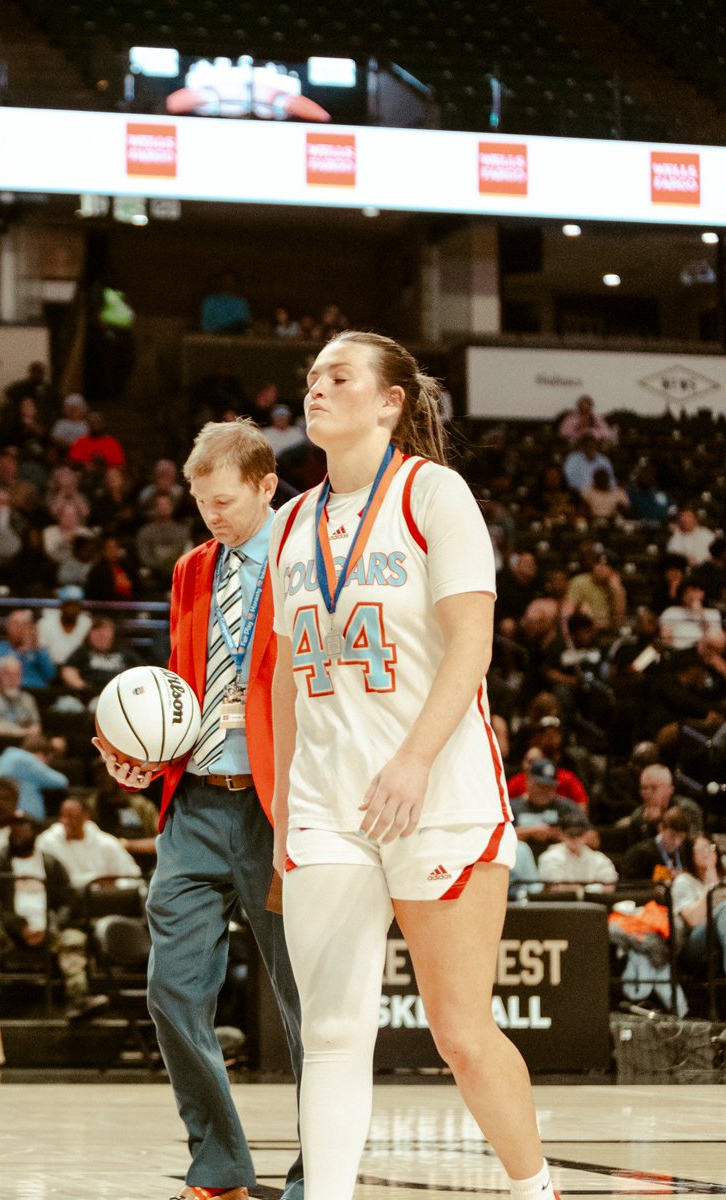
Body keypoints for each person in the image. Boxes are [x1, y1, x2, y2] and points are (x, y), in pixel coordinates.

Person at [268, 330, 558, 1200]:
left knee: (461, 1032)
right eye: (312, 376)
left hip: (440, 793)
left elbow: (474, 642)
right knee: (332, 1031)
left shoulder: (435, 495)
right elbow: (284, 677)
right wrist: (286, 803)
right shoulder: (289, 522)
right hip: (328, 805)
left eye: (339, 376)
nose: (317, 388)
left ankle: (535, 1187)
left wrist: (414, 759)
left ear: (390, 401)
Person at [95, 419, 303, 1200]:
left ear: (263, 484)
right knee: (172, 989)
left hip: (278, 810)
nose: (212, 515)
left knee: (301, 1004)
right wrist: (141, 750)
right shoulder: (190, 568)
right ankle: (219, 1167)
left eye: (225, 501)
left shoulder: (305, 555)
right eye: (201, 501)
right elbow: (183, 686)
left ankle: (319, 1171)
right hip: (195, 800)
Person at [0, 812, 109, 1022]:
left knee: (73, 937)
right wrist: (17, 926)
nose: (17, 831)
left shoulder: (51, 864)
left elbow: (68, 901)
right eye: (13, 826)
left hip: (48, 931)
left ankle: (79, 1000)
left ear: (34, 831)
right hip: (8, 932)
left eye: (23, 826)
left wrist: (50, 926)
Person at [36, 797, 142, 891]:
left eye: (72, 817)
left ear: (85, 817)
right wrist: (95, 879)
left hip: (106, 902)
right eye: (63, 816)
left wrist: (114, 887)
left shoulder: (107, 843)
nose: (66, 821)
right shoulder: (47, 842)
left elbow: (133, 876)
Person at [672, 833, 726, 974]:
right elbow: (693, 920)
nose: (707, 852)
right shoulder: (683, 881)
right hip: (694, 941)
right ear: (691, 855)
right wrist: (709, 887)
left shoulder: (724, 878)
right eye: (701, 849)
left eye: (710, 847)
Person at [511, 758, 586, 854]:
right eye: (540, 786)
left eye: (549, 786)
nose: (545, 791)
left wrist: (561, 835)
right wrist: (529, 832)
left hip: (559, 862)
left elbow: (593, 839)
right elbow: (497, 839)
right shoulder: (512, 807)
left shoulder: (568, 807)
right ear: (528, 782)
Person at [536, 812, 617, 894]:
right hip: (561, 904)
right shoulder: (549, 857)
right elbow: (558, 888)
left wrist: (579, 890)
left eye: (579, 834)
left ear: (586, 834)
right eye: (570, 834)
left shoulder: (599, 858)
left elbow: (609, 887)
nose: (575, 838)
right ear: (561, 834)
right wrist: (594, 889)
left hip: (594, 904)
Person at [621, 807, 690, 883]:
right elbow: (631, 886)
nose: (677, 842)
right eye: (672, 836)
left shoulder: (683, 850)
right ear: (661, 829)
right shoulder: (640, 853)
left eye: (681, 837)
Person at [36, 585, 92, 665]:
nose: (71, 609)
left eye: (75, 605)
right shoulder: (45, 623)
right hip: (51, 668)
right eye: (68, 604)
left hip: (77, 669)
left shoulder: (87, 623)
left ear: (80, 606)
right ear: (61, 605)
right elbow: (41, 651)